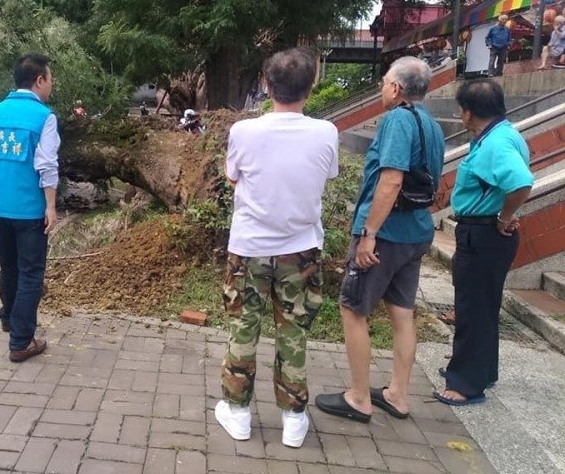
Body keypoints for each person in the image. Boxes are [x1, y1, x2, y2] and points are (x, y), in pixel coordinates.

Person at [214, 48, 339, 448]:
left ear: (266, 85)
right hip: (301, 252)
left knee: (243, 329)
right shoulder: (326, 132)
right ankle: (294, 419)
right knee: (293, 335)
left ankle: (237, 414)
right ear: (310, 86)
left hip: (249, 249)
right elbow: (325, 176)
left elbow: (233, 177)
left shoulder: (244, 131)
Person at [315, 56, 445, 423]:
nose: (380, 87)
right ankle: (398, 396)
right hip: (417, 232)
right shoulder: (431, 125)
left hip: (386, 235)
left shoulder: (396, 121)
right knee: (403, 315)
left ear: (396, 88)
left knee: (352, 308)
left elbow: (391, 180)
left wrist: (369, 234)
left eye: (384, 81)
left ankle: (358, 397)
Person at [434, 80, 533, 406]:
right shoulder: (501, 135)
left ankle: (465, 384)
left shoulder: (496, 144)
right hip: (487, 234)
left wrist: (505, 216)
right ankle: (480, 370)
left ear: (468, 111)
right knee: (484, 306)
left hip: (485, 234)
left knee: (472, 308)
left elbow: (520, 182)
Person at [0, 52, 60, 363]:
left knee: (9, 267)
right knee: (31, 273)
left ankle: (9, 319)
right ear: (38, 81)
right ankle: (21, 341)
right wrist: (51, 206)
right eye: (49, 79)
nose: (51, 85)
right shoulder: (44, 118)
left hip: (0, 208)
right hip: (29, 210)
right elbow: (47, 166)